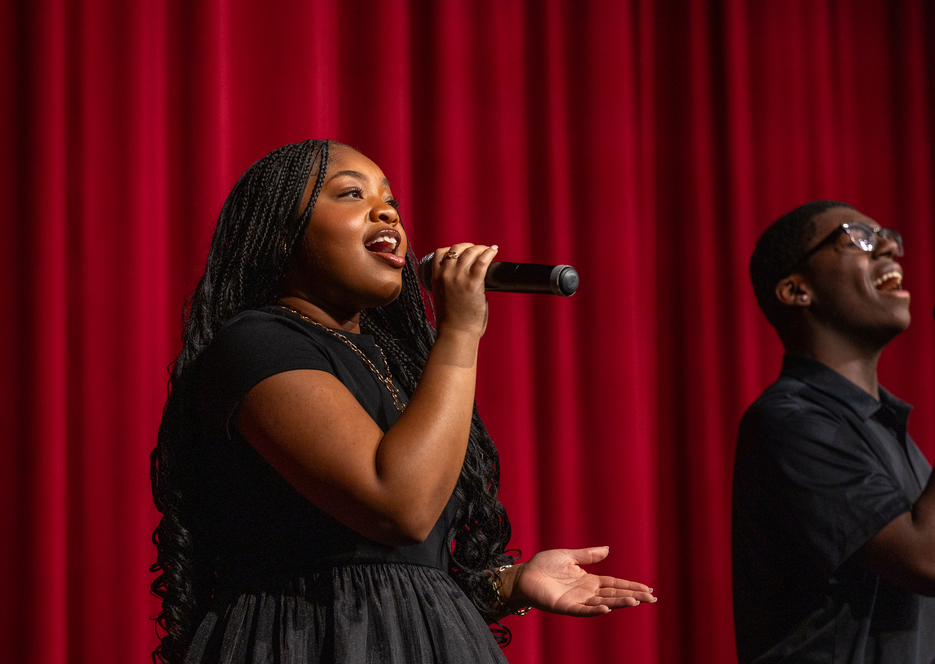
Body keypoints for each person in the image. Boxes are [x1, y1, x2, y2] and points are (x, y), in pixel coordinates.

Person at [150, 139, 656, 664]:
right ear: (281, 237)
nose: (387, 210)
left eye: (390, 199)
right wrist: (459, 330)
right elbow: (399, 507)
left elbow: (396, 562)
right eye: (351, 194)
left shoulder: (392, 364)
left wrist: (511, 584)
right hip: (312, 641)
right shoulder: (257, 343)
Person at [733, 200, 935, 663]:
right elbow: (927, 560)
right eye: (858, 237)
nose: (888, 246)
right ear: (796, 290)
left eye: (887, 235)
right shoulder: (791, 421)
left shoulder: (887, 430)